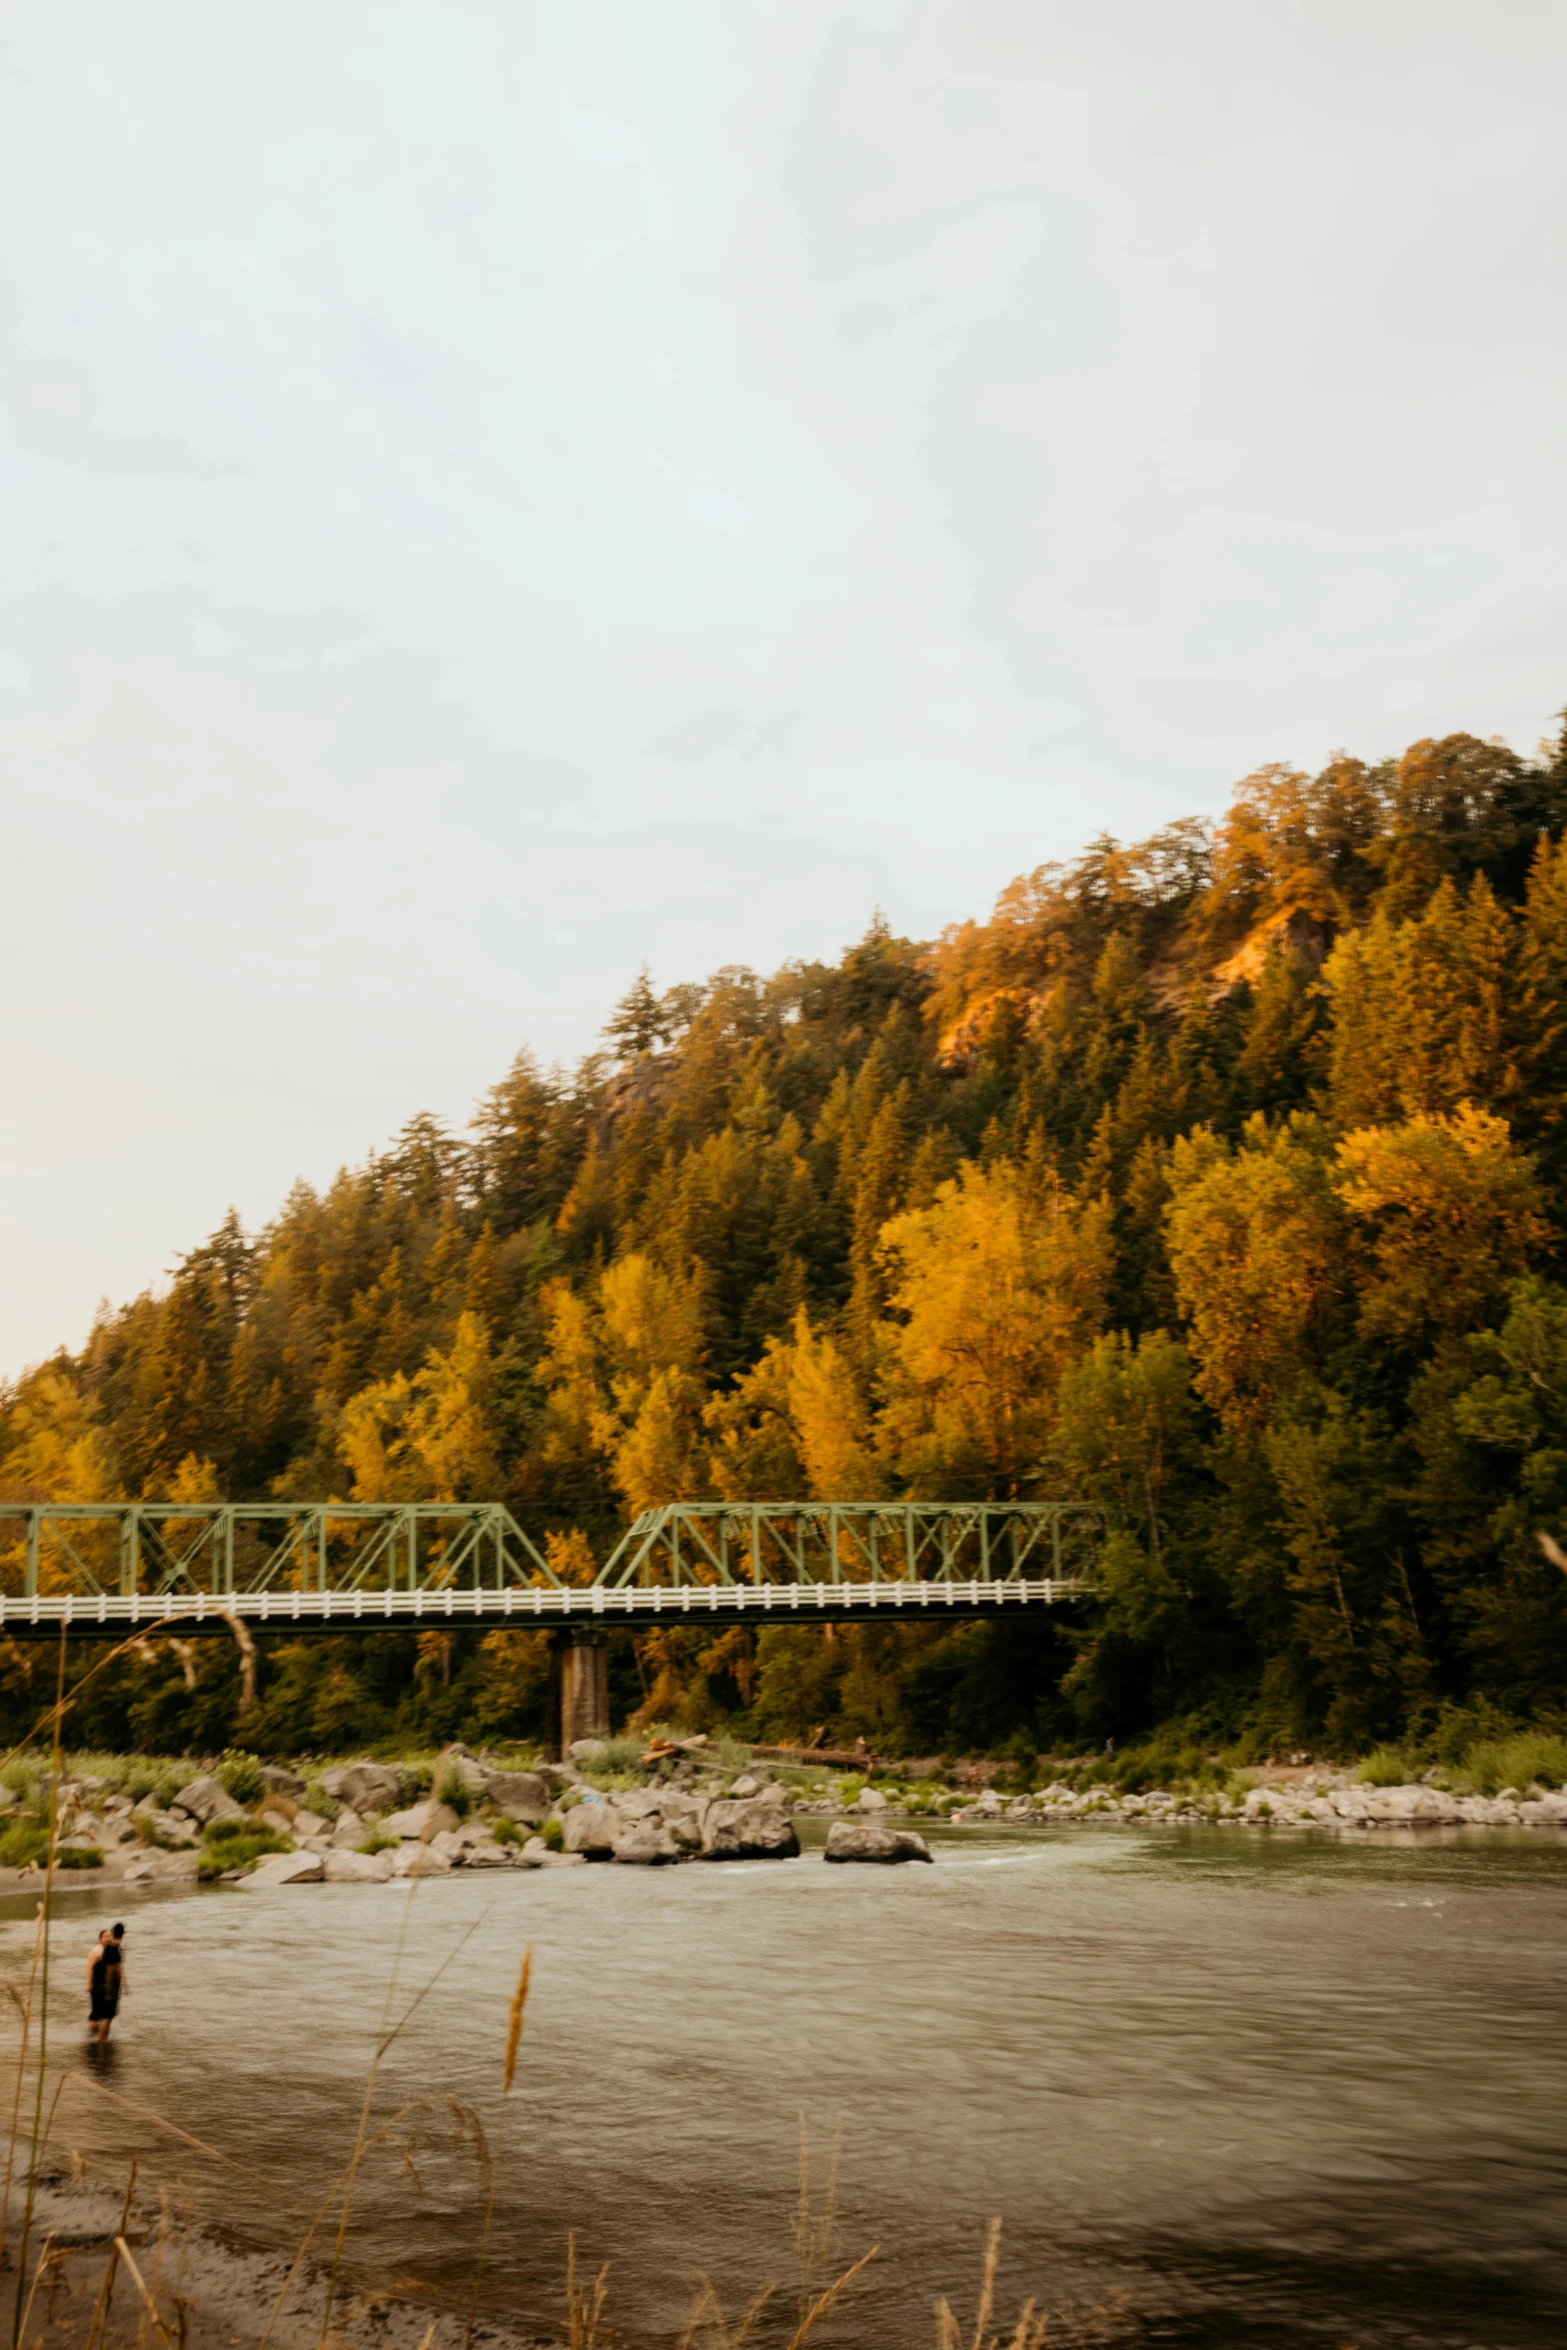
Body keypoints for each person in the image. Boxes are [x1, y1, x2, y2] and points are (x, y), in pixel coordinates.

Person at [85, 1923, 126, 2047]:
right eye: (105, 1936)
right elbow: (88, 1968)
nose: (107, 1938)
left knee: (103, 2013)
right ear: (100, 1938)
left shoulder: (110, 1949)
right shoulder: (95, 1951)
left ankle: (98, 2034)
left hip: (103, 1985)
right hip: (96, 1985)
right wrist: (88, 1984)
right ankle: (91, 2036)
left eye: (109, 1936)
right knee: (95, 2011)